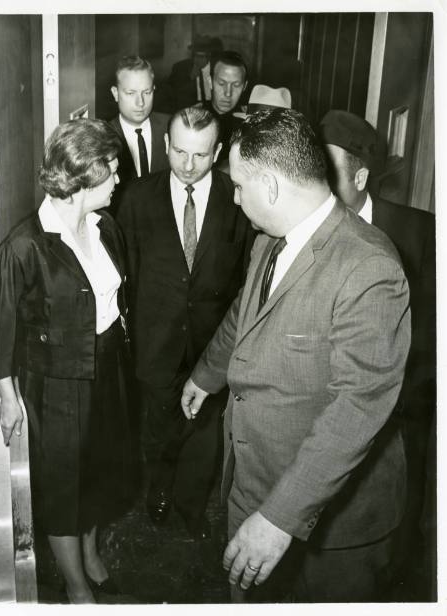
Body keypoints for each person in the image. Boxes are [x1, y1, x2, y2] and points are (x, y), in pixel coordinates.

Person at [181, 108, 411, 602]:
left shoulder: (368, 266)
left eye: (239, 186)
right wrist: (206, 374)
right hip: (256, 487)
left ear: (270, 186)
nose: (235, 197)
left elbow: (358, 408)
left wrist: (278, 518)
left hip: (327, 529)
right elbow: (245, 315)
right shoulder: (269, 243)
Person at [0, 118, 135, 604]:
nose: (119, 181)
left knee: (101, 470)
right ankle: (76, 586)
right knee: (66, 487)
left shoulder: (107, 228)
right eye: (113, 171)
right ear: (87, 177)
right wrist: (7, 398)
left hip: (108, 369)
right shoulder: (25, 246)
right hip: (58, 385)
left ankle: (90, 555)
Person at [116, 106, 253, 541]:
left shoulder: (239, 199)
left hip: (212, 345)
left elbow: (245, 276)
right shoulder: (136, 198)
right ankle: (158, 490)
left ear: (218, 152)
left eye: (199, 154)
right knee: (158, 427)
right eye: (179, 152)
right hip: (154, 342)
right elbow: (124, 274)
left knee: (204, 431)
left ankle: (192, 505)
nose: (188, 165)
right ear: (165, 145)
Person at [319, 109, 436, 592]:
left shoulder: (421, 234)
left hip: (401, 411)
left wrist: (395, 397)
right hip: (329, 410)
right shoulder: (312, 231)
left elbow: (431, 336)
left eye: (326, 171)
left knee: (397, 520)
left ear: (361, 176)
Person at [109, 55, 169, 209]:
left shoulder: (171, 127)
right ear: (115, 93)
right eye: (131, 93)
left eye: (147, 92)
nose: (140, 102)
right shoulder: (104, 137)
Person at [201, 50, 248, 167]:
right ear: (210, 82)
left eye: (236, 85)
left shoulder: (248, 126)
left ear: (245, 86)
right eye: (222, 83)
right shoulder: (194, 116)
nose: (228, 93)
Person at [166, 35, 221, 110]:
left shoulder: (218, 69)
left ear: (209, 56)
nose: (197, 60)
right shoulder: (180, 67)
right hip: (187, 110)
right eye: (195, 55)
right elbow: (171, 93)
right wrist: (190, 78)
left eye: (202, 56)